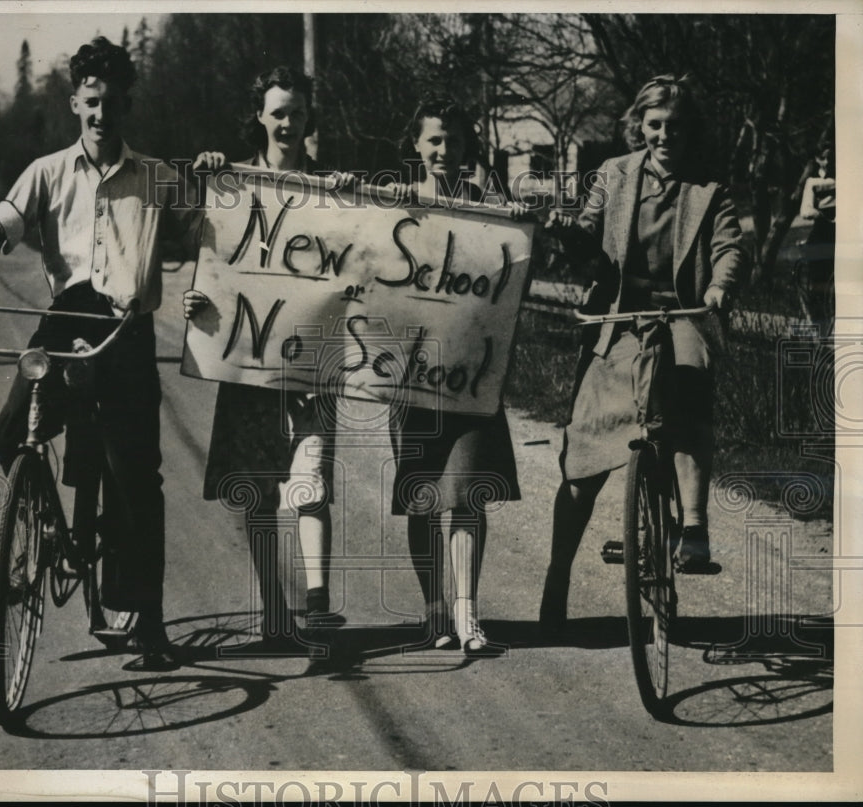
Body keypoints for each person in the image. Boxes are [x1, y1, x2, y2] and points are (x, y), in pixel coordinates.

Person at [0, 37, 203, 671]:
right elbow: (0, 224)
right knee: (12, 432)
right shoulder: (47, 171)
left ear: (126, 106)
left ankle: (148, 620)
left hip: (126, 333)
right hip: (65, 325)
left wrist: (210, 190)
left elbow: (212, 231)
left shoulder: (157, 176)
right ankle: (43, 529)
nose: (100, 115)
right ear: (74, 103)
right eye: (91, 103)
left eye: (112, 104)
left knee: (137, 479)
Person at [540, 74, 749, 637]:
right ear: (640, 126)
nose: (664, 135)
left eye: (675, 126)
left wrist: (719, 288)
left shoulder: (710, 190)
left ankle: (695, 528)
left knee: (688, 384)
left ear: (690, 131)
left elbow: (730, 247)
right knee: (582, 461)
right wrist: (566, 235)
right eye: (655, 125)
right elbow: (588, 236)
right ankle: (557, 577)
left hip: (682, 315)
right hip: (619, 322)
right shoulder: (614, 175)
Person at [183, 66, 350, 645]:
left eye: (297, 112)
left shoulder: (330, 189)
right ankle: (276, 611)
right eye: (277, 111)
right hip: (248, 359)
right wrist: (198, 296)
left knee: (312, 479)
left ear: (309, 120)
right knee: (255, 486)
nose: (287, 122)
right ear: (259, 116)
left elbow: (356, 265)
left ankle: (319, 604)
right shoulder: (231, 185)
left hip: (310, 363)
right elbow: (200, 251)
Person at [386, 97, 533, 654]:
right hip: (410, 374)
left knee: (468, 492)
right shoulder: (398, 206)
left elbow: (511, 284)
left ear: (469, 145)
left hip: (472, 374)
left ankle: (469, 615)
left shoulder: (488, 210)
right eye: (434, 141)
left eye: (454, 140)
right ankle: (435, 612)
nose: (445, 151)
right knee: (423, 495)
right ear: (417, 147)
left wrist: (520, 230)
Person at [797, 140, 835, 334]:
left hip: (841, 235)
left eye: (830, 157)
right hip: (822, 234)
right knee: (818, 286)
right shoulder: (813, 183)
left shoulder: (846, 178)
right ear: (817, 159)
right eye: (823, 158)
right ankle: (821, 333)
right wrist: (822, 215)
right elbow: (805, 210)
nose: (827, 162)